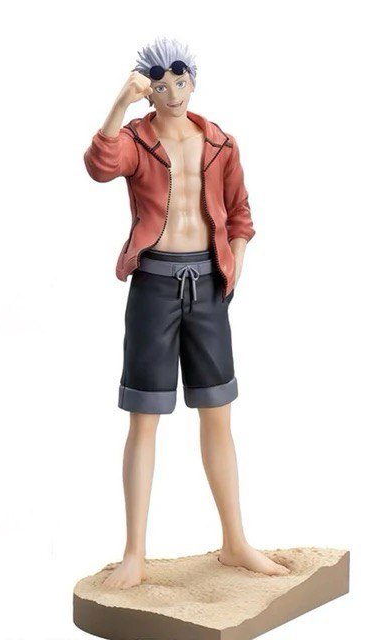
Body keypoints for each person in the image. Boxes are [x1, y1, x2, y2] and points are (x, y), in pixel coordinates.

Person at [83, 37, 290, 588]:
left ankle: (235, 541)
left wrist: (235, 261)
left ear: (193, 81)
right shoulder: (135, 140)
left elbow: (241, 212)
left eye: (180, 80)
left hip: (209, 287)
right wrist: (118, 103)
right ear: (147, 90)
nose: (172, 92)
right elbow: (100, 166)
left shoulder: (220, 142)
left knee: (219, 414)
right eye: (160, 84)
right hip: (154, 286)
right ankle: (134, 553)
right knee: (144, 418)